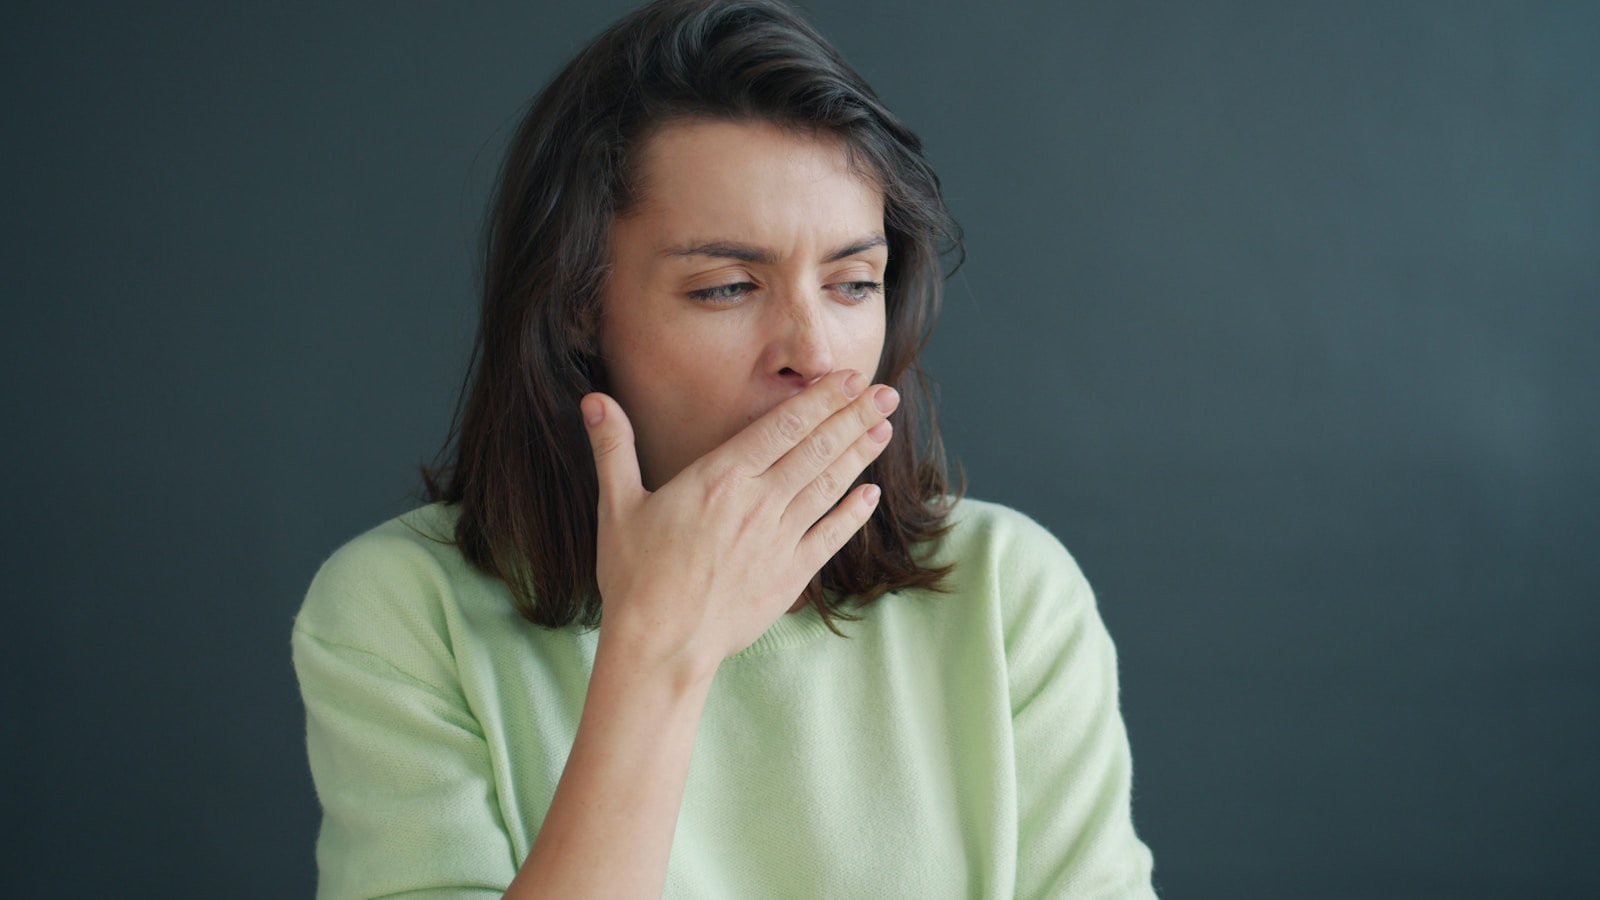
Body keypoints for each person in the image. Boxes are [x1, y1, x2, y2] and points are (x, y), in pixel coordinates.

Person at [291, 0, 1158, 896]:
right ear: (580, 305)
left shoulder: (1010, 594)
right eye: (728, 287)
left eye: (854, 282)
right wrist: (660, 647)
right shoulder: (400, 613)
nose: (814, 353)